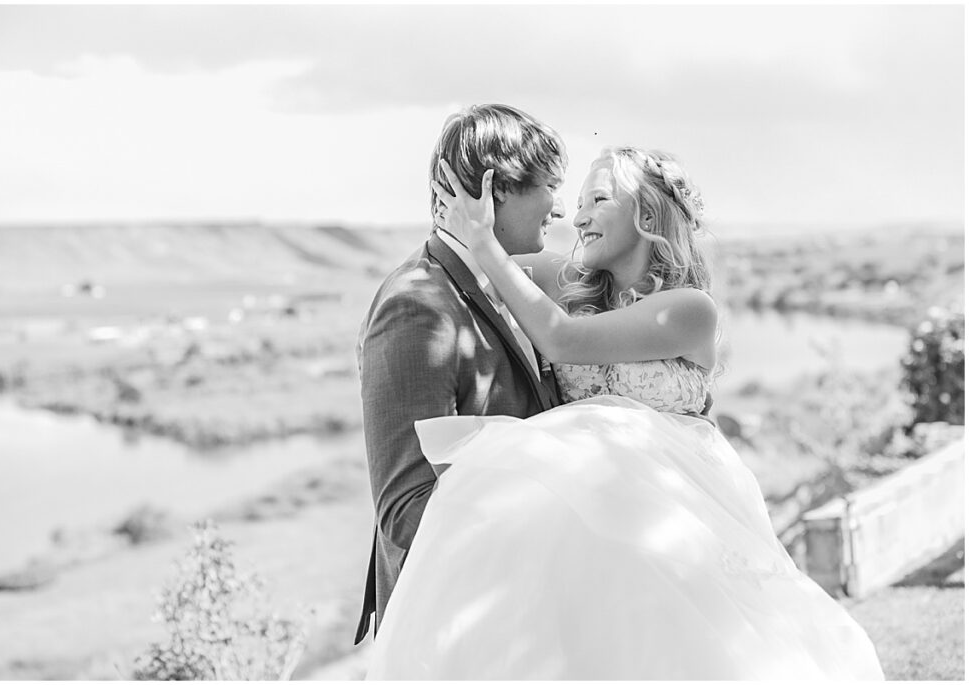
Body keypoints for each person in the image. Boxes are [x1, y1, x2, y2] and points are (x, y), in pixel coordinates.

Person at [364, 148, 884, 679]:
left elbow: (562, 340)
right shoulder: (566, 284)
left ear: (648, 217)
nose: (576, 215)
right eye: (578, 201)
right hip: (594, 520)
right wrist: (472, 223)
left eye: (598, 200)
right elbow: (463, 267)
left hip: (677, 513)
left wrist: (483, 242)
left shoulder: (688, 309)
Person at [353, 104, 568, 645]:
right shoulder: (416, 307)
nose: (558, 207)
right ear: (497, 189)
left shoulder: (506, 281)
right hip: (459, 623)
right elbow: (406, 511)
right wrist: (564, 513)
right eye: (549, 185)